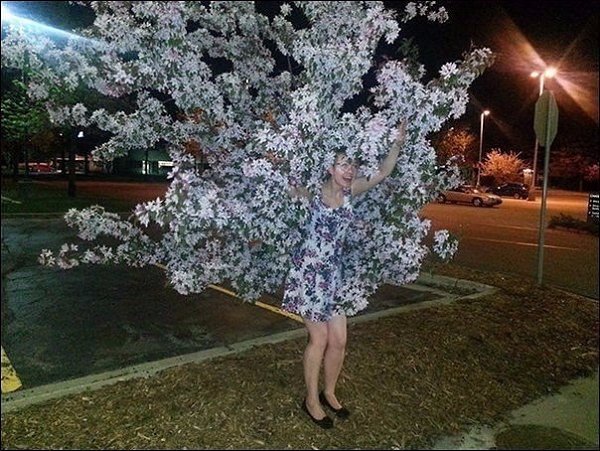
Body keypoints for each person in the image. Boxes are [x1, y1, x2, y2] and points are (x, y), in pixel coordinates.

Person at [282, 120, 407, 429]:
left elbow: (384, 172)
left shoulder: (351, 191)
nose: (350, 170)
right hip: (309, 275)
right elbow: (284, 186)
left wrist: (397, 143)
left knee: (339, 340)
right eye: (343, 164)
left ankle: (329, 392)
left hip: (334, 276)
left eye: (353, 164)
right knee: (320, 338)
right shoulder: (312, 194)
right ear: (329, 168)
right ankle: (311, 401)